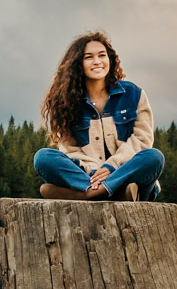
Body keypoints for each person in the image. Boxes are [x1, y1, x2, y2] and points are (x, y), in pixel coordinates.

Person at [32, 31, 165, 201]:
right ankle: (112, 192)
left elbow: (142, 139)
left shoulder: (134, 94)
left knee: (154, 157)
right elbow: (70, 150)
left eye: (102, 55)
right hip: (88, 175)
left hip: (126, 171)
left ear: (110, 59)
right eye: (89, 57)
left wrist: (111, 166)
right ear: (77, 63)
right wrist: (95, 172)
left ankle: (88, 194)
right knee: (43, 158)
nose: (97, 61)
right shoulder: (65, 101)